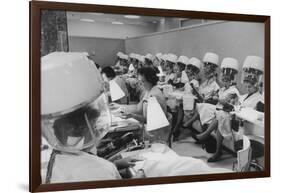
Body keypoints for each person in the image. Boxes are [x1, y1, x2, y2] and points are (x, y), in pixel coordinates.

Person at [41, 52, 144, 183]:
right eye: (95, 124)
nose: (96, 128)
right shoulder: (100, 171)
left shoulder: (58, 156)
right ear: (86, 126)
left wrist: (115, 165)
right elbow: (94, 171)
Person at [192, 57, 240, 162]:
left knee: (220, 116)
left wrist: (218, 98)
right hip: (220, 110)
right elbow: (217, 99)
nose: (225, 82)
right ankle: (210, 143)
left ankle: (207, 137)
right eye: (224, 80)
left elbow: (226, 102)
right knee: (204, 107)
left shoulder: (233, 91)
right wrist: (211, 98)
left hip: (230, 113)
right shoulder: (223, 89)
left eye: (227, 80)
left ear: (231, 81)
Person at [111, 67, 170, 143]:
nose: (140, 84)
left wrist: (132, 115)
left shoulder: (154, 95)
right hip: (150, 127)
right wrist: (119, 106)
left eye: (143, 81)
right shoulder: (149, 91)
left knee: (122, 137)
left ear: (150, 80)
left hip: (155, 133)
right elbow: (138, 108)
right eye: (140, 81)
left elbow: (148, 120)